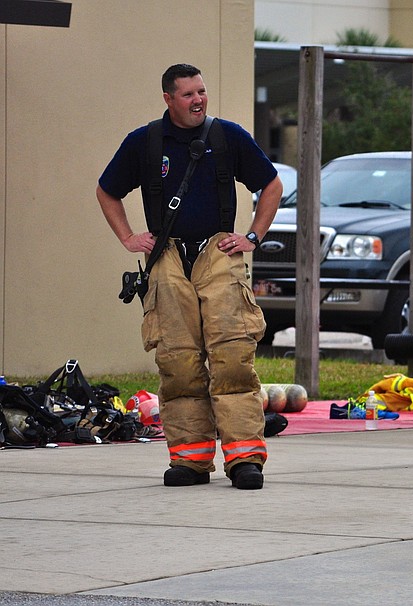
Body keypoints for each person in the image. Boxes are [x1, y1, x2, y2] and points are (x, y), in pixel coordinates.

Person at [97, 64, 283, 490]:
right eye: (188, 94)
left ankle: (244, 459)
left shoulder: (228, 136)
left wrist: (252, 236)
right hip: (167, 258)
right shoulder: (144, 142)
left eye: (201, 91)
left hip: (219, 254)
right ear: (168, 99)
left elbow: (271, 185)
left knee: (232, 359)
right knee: (177, 362)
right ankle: (191, 460)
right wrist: (128, 237)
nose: (198, 100)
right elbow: (107, 190)